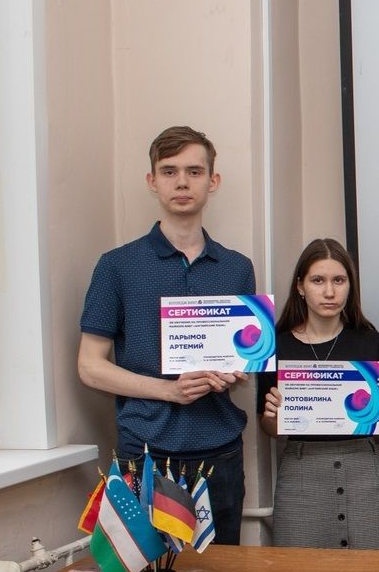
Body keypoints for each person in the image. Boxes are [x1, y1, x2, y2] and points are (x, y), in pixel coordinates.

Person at [78, 126, 253, 544]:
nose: (182, 182)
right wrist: (169, 391)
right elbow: (89, 367)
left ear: (213, 181)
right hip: (146, 451)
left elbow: (243, 359)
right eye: (169, 171)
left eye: (194, 171)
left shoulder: (237, 267)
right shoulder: (116, 266)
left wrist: (234, 373)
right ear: (152, 181)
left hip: (221, 451)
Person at [257, 239, 379, 549]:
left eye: (339, 280)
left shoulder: (372, 342)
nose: (329, 292)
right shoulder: (277, 347)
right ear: (300, 286)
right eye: (318, 281)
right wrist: (273, 417)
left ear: (350, 286)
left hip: (364, 470)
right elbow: (268, 426)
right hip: (301, 474)